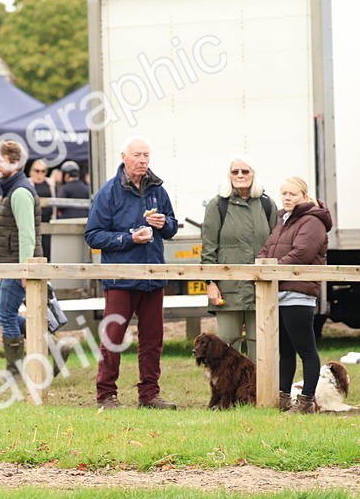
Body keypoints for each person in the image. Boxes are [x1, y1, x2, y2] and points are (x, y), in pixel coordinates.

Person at [84, 136, 178, 409]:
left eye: (147, 155)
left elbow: (172, 227)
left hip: (152, 275)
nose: (143, 160)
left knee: (152, 340)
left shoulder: (158, 190)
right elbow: (93, 235)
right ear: (124, 157)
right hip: (120, 278)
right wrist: (128, 239)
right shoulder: (109, 192)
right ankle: (106, 395)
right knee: (113, 338)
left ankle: (149, 395)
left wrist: (164, 223)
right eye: (137, 155)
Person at [258, 176, 332, 413]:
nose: (287, 198)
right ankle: (283, 399)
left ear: (304, 196)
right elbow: (267, 248)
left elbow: (302, 253)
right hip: (278, 293)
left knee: (306, 350)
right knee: (286, 352)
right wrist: (261, 264)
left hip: (298, 294)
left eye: (292, 194)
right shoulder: (285, 220)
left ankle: (306, 401)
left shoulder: (312, 221)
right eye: (284, 194)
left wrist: (271, 268)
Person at [200, 154, 279, 358]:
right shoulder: (217, 205)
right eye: (235, 171)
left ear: (253, 174)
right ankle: (228, 390)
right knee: (227, 344)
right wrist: (210, 283)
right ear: (229, 175)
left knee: (260, 343)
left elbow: (276, 246)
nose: (240, 175)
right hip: (228, 289)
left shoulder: (267, 205)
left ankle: (258, 389)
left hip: (260, 287)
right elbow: (209, 248)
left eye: (245, 171)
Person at [0, 141, 42, 376]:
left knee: (5, 315)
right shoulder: (15, 188)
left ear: (14, 162)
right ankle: (51, 346)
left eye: (0, 161)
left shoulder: (20, 191)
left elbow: (27, 235)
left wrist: (25, 270)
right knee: (5, 313)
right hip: (12, 264)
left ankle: (16, 371)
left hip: (17, 265)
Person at [29, 159, 54, 259]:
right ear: (32, 171)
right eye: (37, 170)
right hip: (33, 221)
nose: (40, 174)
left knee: (47, 249)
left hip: (48, 221)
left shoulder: (50, 184)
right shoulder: (27, 184)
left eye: (43, 171)